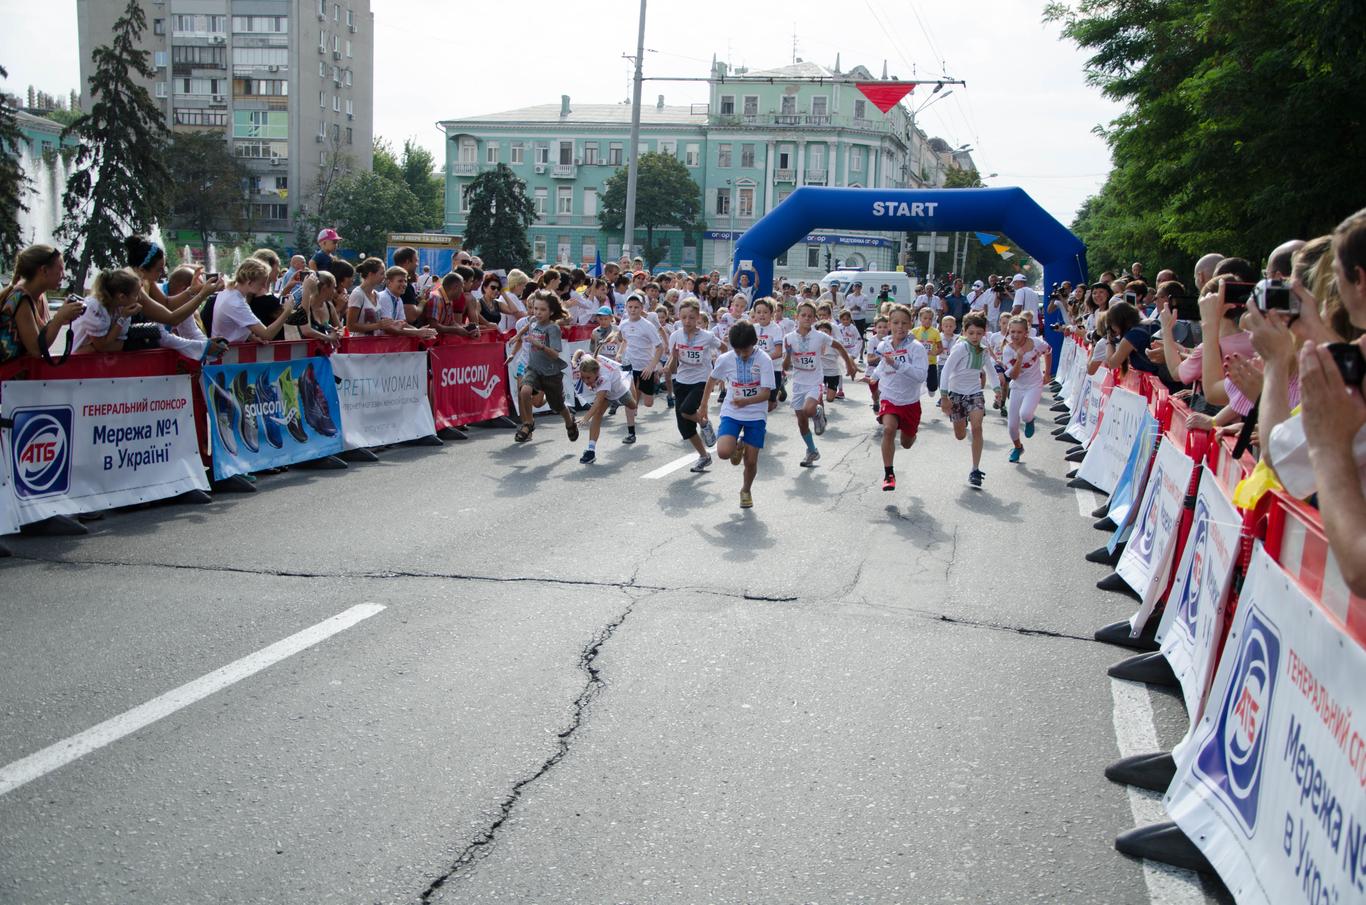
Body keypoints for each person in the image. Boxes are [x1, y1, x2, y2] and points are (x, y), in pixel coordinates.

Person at [697, 320, 775, 509]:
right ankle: (737, 446)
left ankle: (746, 489)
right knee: (723, 453)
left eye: (745, 351)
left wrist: (746, 401)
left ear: (754, 343)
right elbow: (712, 380)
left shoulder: (764, 360)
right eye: (738, 351)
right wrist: (703, 405)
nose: (741, 355)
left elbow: (766, 393)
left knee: (751, 460)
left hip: (755, 414)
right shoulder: (726, 359)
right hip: (732, 411)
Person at [785, 301, 857, 467]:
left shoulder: (819, 336)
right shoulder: (788, 338)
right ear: (796, 317)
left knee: (808, 409)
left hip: (815, 381)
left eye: (810, 316)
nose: (807, 318)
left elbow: (839, 346)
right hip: (798, 385)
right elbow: (785, 366)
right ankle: (812, 451)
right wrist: (788, 356)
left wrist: (849, 364)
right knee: (802, 422)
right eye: (803, 315)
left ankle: (818, 413)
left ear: (814, 318)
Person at [872, 305, 930, 491]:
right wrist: (872, 378)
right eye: (896, 322)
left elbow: (921, 376)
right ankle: (889, 474)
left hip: (910, 402)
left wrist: (897, 364)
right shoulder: (884, 346)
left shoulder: (917, 348)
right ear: (889, 324)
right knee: (888, 429)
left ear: (911, 324)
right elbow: (882, 367)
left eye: (904, 323)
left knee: (906, 443)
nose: (900, 327)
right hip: (889, 397)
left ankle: (912, 433)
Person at [511, 290, 579, 444]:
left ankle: (569, 421)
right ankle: (528, 423)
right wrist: (518, 336)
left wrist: (540, 346)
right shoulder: (534, 320)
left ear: (551, 312)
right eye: (535, 308)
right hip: (533, 368)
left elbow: (555, 354)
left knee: (558, 406)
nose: (538, 313)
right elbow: (529, 324)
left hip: (550, 373)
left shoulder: (553, 328)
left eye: (542, 310)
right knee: (525, 390)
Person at [940, 314, 999, 487]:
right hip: (956, 394)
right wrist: (944, 397)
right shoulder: (960, 348)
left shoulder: (984, 350)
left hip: (974, 393)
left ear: (984, 333)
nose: (975, 337)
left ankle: (975, 470)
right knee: (960, 435)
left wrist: (997, 390)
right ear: (965, 332)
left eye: (979, 333)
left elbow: (991, 370)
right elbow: (946, 371)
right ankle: (962, 421)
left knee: (978, 427)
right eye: (971, 333)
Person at [665, 299, 723, 472]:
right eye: (684, 317)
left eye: (691, 317)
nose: (687, 321)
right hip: (681, 381)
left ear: (698, 317)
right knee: (684, 427)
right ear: (678, 317)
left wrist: (722, 373)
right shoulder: (675, 336)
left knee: (686, 410)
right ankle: (704, 456)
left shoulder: (707, 336)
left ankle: (704, 424)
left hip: (701, 381)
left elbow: (725, 348)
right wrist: (674, 357)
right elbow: (673, 368)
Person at [1002, 315, 1052, 463]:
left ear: (1026, 332)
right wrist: (1019, 358)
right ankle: (1018, 447)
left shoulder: (1037, 343)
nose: (1015, 335)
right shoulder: (1008, 350)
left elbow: (1049, 352)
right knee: (1012, 426)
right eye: (1012, 332)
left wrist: (1047, 373)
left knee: (1025, 414)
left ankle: (1030, 420)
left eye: (1019, 332)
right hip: (1017, 387)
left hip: (1034, 385)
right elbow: (1014, 376)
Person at [572, 351, 637, 465]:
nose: (586, 381)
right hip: (605, 394)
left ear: (596, 372)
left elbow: (597, 402)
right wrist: (573, 360)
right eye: (583, 377)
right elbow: (580, 352)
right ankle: (590, 451)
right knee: (597, 415)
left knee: (633, 405)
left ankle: (629, 379)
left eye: (588, 378)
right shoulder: (587, 361)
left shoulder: (604, 378)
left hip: (618, 391)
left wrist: (586, 418)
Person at [211, 258, 298, 343]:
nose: (264, 286)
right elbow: (267, 335)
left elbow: (232, 326)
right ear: (249, 283)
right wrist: (287, 311)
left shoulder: (228, 292)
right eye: (262, 283)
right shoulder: (236, 303)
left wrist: (250, 337)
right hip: (229, 354)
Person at [619, 294, 665, 443]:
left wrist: (652, 366)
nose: (633, 310)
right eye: (630, 307)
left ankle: (653, 381)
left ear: (642, 308)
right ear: (626, 308)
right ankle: (631, 433)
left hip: (646, 367)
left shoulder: (647, 325)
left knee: (648, 403)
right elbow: (624, 339)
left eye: (636, 307)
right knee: (629, 401)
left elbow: (659, 347)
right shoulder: (624, 324)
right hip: (629, 366)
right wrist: (620, 353)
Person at [751, 298, 786, 411]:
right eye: (758, 312)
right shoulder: (752, 328)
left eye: (765, 312)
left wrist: (762, 359)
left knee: (769, 406)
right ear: (754, 313)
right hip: (755, 369)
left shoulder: (776, 329)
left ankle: (778, 391)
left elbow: (778, 352)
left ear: (771, 313)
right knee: (757, 401)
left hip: (773, 368)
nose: (762, 315)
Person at [346, 258, 388, 334]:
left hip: (375, 343)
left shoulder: (376, 294)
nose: (384, 276)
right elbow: (350, 326)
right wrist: (377, 325)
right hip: (361, 343)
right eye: (382, 273)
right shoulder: (358, 294)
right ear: (371, 274)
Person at [911, 305, 943, 396]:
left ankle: (930, 388)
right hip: (917, 363)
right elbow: (908, 346)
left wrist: (934, 352)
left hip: (931, 363)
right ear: (920, 318)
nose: (927, 320)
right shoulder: (914, 331)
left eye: (930, 319)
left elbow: (940, 348)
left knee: (933, 387)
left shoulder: (935, 332)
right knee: (914, 383)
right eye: (925, 318)